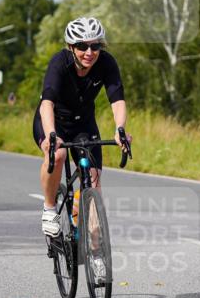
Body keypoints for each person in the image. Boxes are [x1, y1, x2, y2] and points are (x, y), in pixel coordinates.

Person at [34, 16, 130, 238]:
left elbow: (117, 99)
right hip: (52, 120)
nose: (89, 52)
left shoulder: (106, 63)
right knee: (57, 156)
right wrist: (51, 134)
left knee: (94, 185)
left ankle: (96, 255)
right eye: (82, 46)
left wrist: (120, 129)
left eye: (95, 45)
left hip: (83, 124)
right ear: (71, 47)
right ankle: (49, 209)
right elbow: (46, 102)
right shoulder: (59, 63)